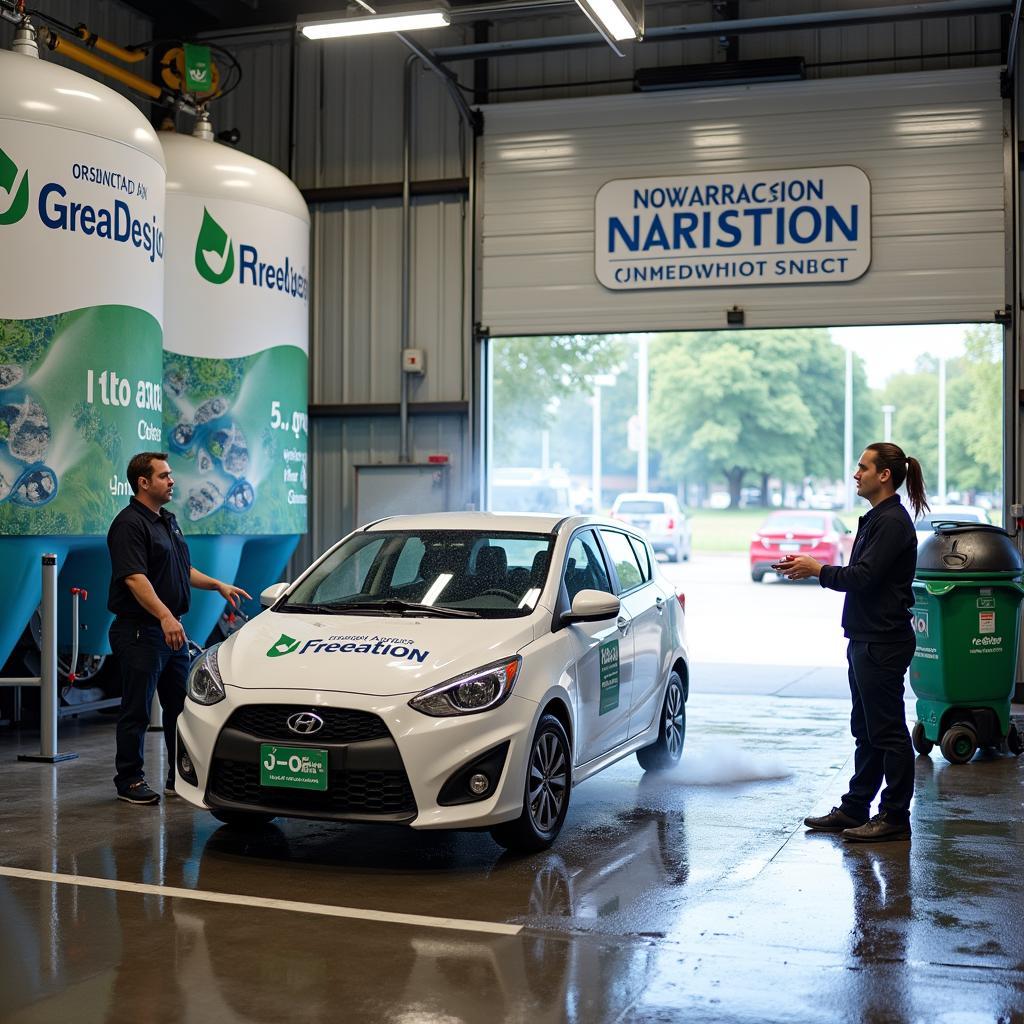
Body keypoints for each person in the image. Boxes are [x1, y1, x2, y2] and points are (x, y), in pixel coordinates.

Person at [775, 443, 927, 843]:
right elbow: (861, 575)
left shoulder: (892, 522)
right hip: (865, 637)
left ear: (884, 476)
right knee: (866, 729)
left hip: (883, 641)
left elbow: (863, 577)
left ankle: (894, 816)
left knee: (888, 732)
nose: (855, 474)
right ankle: (855, 808)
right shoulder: (877, 518)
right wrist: (814, 568)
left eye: (863, 467)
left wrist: (817, 570)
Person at [107, 451, 251, 805]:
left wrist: (217, 584)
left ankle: (179, 776)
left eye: (170, 475)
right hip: (141, 631)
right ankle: (129, 779)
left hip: (169, 632)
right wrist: (165, 616)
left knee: (181, 707)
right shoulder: (129, 525)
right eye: (164, 476)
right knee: (136, 710)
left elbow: (181, 569)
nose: (172, 481)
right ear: (144, 482)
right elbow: (135, 579)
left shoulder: (166, 520)